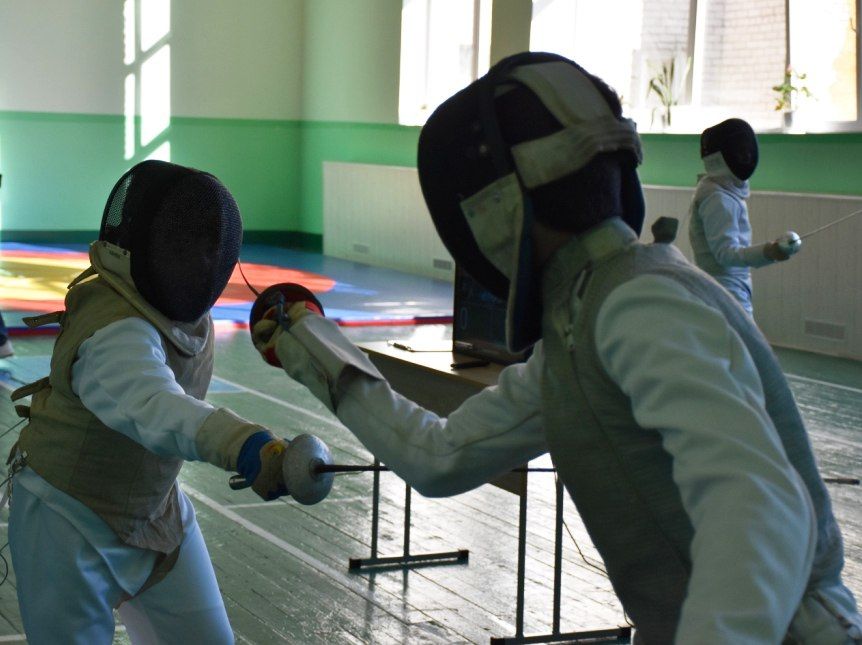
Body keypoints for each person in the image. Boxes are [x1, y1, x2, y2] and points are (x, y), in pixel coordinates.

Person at [251, 53, 861, 643]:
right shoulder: (581, 330)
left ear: (496, 212)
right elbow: (438, 457)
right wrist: (306, 340)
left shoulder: (640, 305)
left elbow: (759, 510)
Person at [6, 160, 316, 644]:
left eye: (212, 245)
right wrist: (244, 444)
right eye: (186, 242)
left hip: (155, 510)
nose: (204, 258)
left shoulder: (180, 312)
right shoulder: (114, 329)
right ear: (148, 245)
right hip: (67, 518)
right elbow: (156, 405)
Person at [688, 118, 793, 314]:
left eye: (747, 151)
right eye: (741, 152)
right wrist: (768, 252)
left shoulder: (721, 191)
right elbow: (725, 254)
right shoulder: (717, 198)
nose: (747, 156)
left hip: (727, 288)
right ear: (721, 157)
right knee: (745, 335)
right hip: (724, 293)